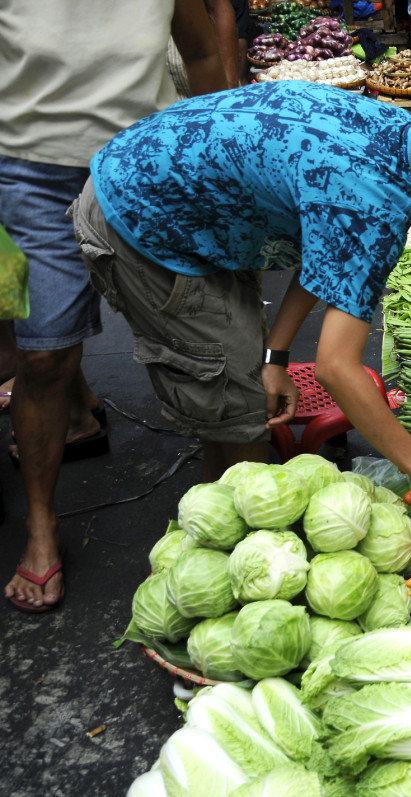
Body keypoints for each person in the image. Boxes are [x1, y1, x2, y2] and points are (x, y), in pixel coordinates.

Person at [72, 82, 411, 545]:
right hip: (140, 215)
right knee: (237, 411)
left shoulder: (401, 135)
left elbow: (321, 249)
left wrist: (275, 354)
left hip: (181, 194)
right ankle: (233, 536)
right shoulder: (373, 203)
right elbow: (336, 368)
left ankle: (224, 485)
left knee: (239, 381)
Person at [1, 0, 228, 613]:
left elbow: (203, 52)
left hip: (143, 162)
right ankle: (42, 523)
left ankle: (226, 495)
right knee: (42, 354)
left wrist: (220, 150)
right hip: (30, 171)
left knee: (199, 328)